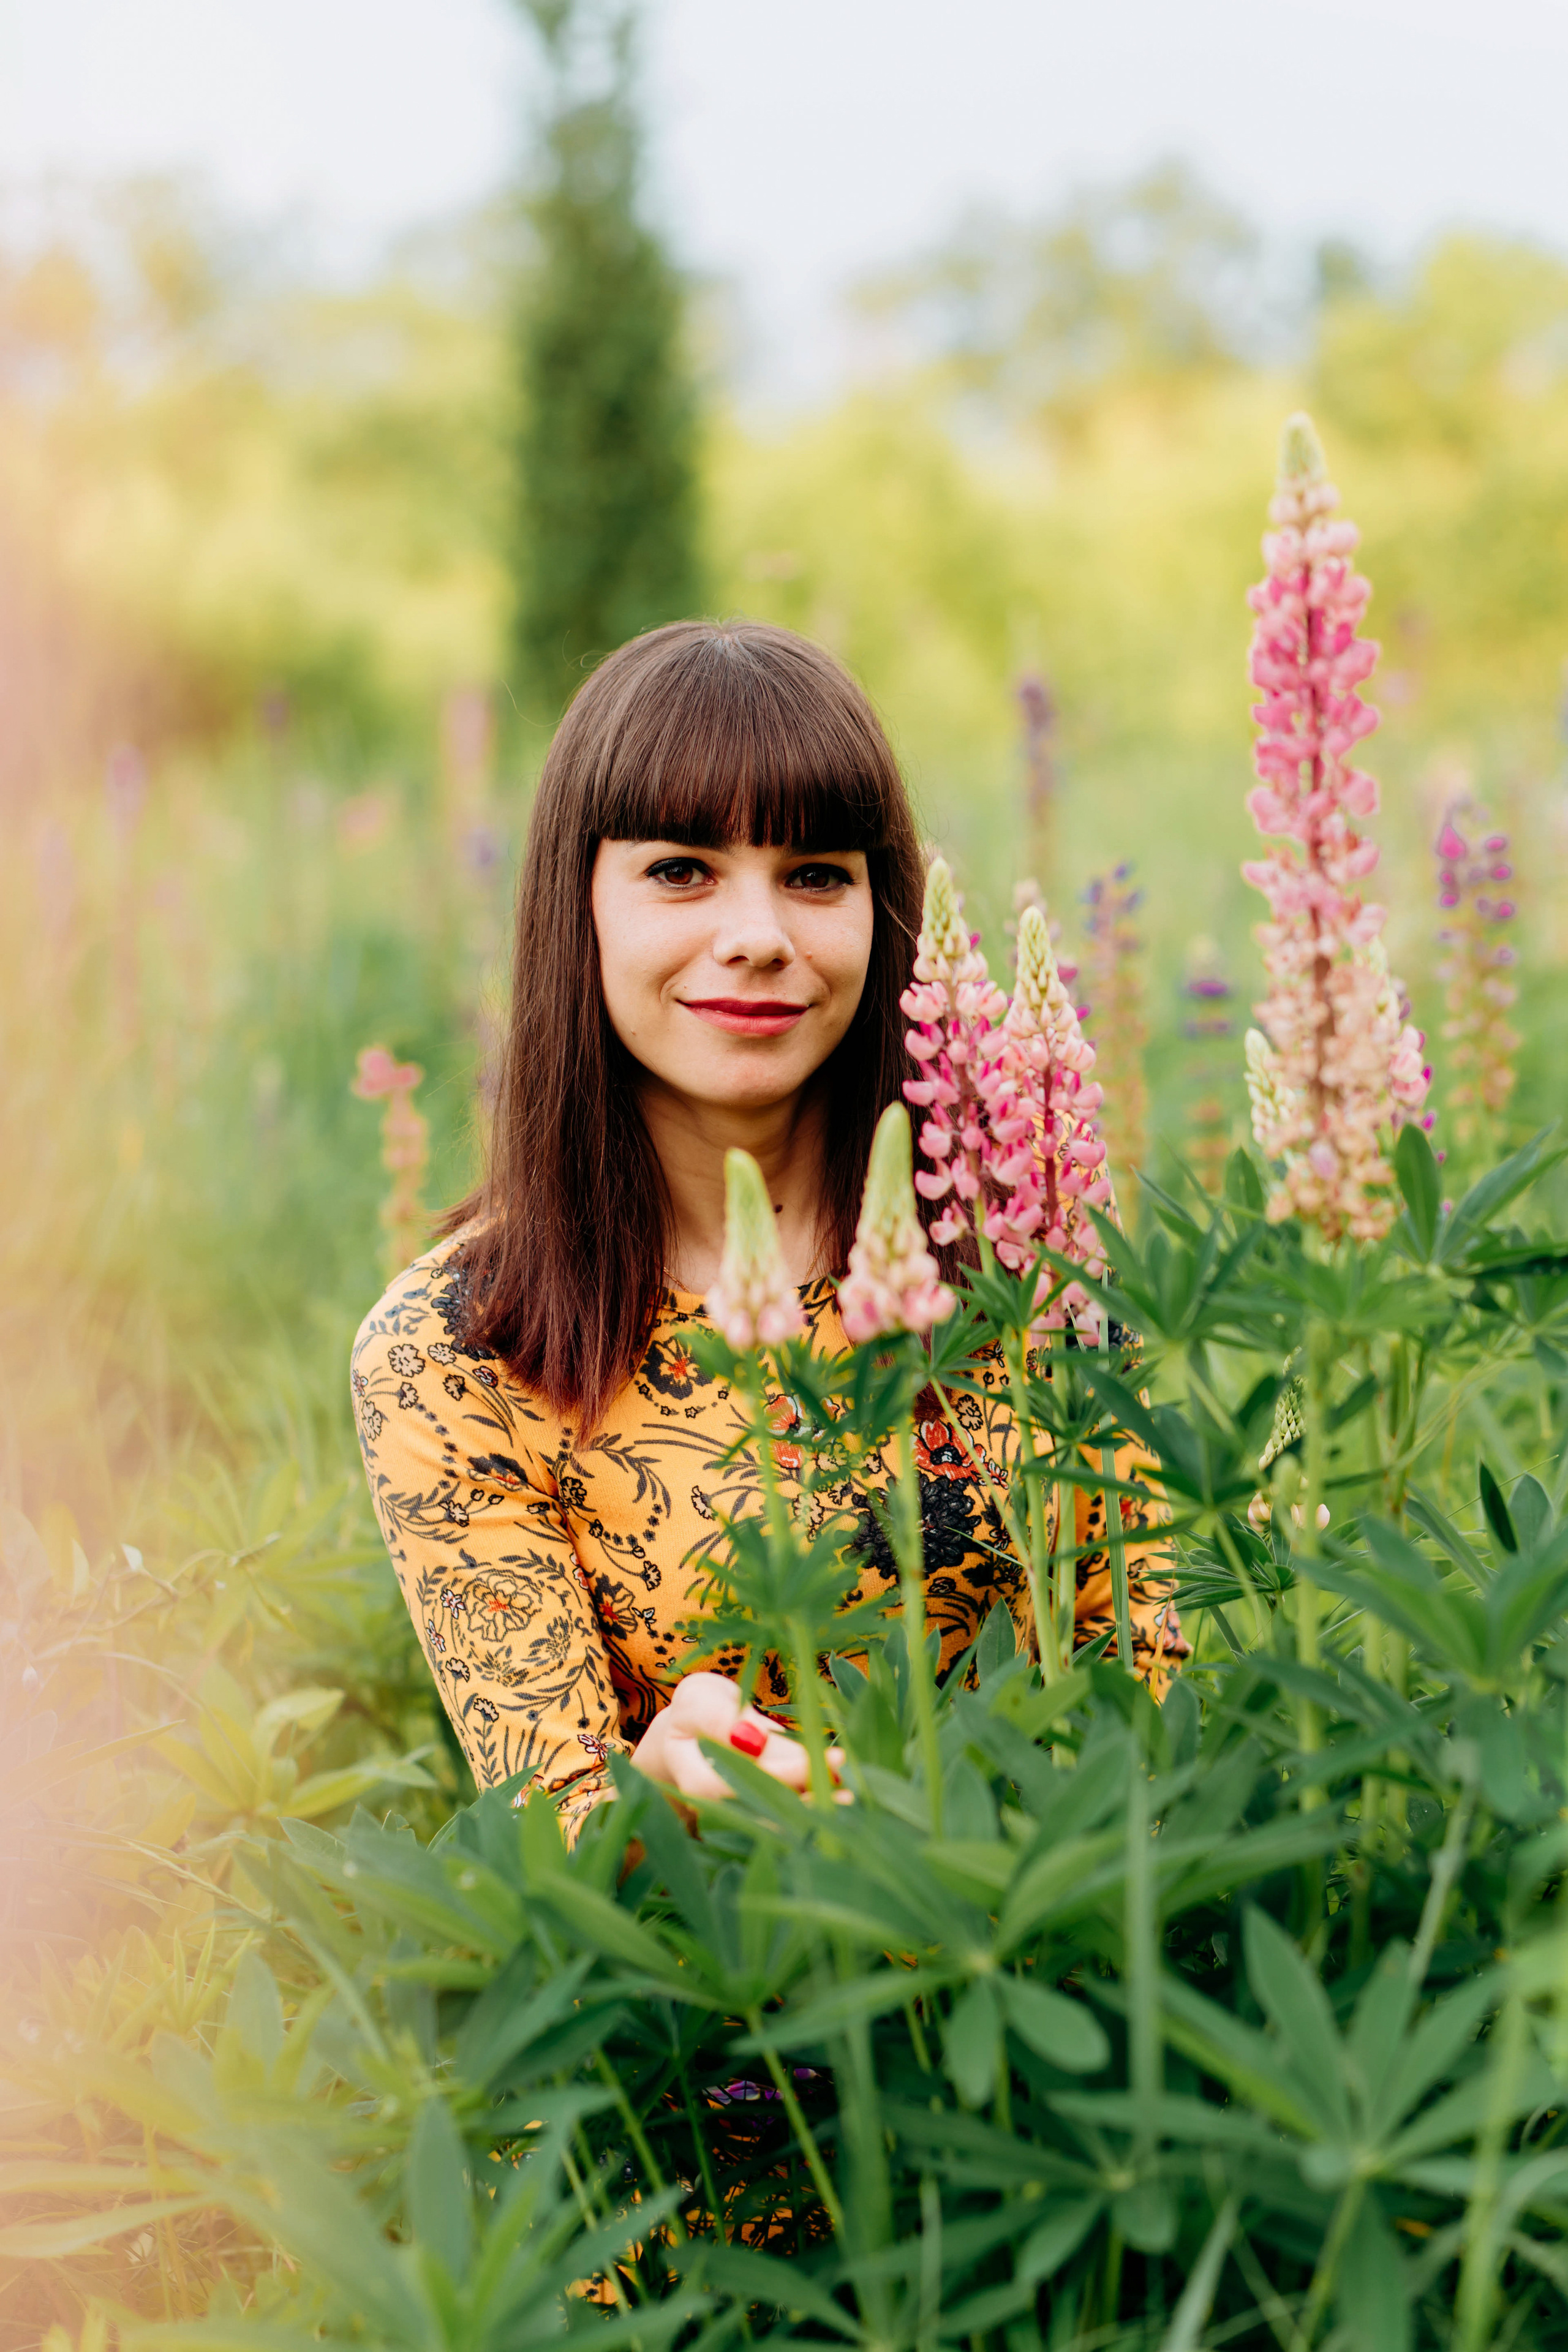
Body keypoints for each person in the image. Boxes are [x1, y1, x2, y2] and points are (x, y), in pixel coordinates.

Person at [352, 620, 1186, 1839]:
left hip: (1044, 1964)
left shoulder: (1028, 1273)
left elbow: (1155, 1712)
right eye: (682, 868)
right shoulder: (457, 1345)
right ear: (574, 904)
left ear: (878, 913)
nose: (757, 935)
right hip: (713, 1999)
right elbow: (554, 1848)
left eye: (813, 874)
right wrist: (654, 1805)